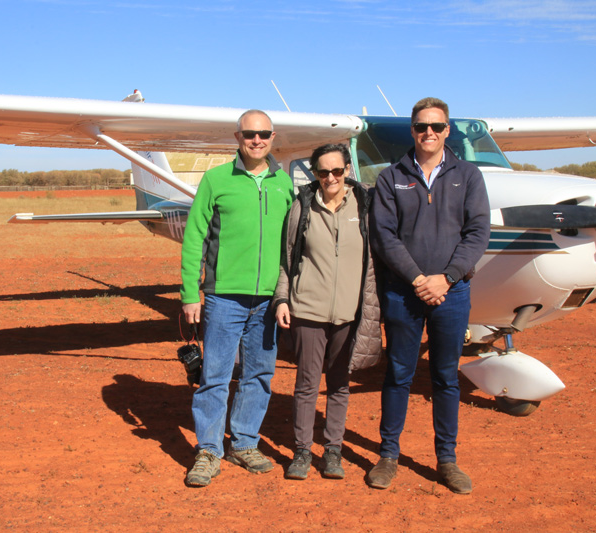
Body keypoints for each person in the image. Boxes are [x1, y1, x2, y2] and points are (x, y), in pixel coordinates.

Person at [368, 97, 490, 494]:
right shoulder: (391, 177)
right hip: (404, 292)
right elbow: (384, 236)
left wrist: (447, 278)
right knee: (399, 373)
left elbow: (478, 233)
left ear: (447, 130)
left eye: (436, 126)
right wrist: (420, 278)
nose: (429, 133)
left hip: (452, 294)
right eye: (421, 126)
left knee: (445, 376)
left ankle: (447, 459)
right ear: (412, 130)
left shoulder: (468, 175)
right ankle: (388, 455)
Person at [180, 109, 295, 487]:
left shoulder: (284, 184)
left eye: (263, 134)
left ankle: (244, 443)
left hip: (268, 300)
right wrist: (189, 293)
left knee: (259, 375)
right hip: (223, 297)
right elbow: (194, 237)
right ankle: (209, 450)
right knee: (215, 375)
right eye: (249, 134)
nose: (256, 140)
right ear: (237, 136)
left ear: (273, 137)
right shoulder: (215, 180)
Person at [274, 143, 382, 480]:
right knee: (306, 384)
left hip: (350, 312)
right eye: (323, 172)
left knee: (339, 384)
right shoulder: (302, 206)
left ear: (348, 170)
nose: (330, 177)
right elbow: (287, 258)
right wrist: (282, 299)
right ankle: (302, 451)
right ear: (315, 174)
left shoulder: (365, 205)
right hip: (308, 308)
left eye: (337, 170)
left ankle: (332, 451)